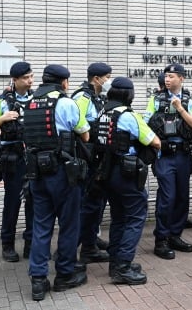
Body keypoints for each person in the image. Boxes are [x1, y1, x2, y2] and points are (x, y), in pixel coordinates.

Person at [25, 64, 90, 301]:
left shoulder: (28, 103)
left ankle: (38, 280)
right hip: (62, 172)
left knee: (41, 225)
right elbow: (85, 134)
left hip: (36, 173)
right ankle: (64, 274)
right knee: (69, 224)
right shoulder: (65, 103)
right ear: (63, 83)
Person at [93, 77, 161, 285]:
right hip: (126, 174)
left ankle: (115, 261)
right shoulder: (129, 116)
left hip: (106, 172)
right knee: (136, 217)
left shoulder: (103, 113)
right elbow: (155, 141)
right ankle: (123, 266)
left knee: (119, 217)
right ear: (128, 95)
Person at [145, 63, 192, 260]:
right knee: (167, 196)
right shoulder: (155, 99)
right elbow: (145, 125)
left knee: (181, 197)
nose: (167, 79)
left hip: (183, 156)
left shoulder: (190, 100)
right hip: (164, 155)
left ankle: (175, 235)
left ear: (181, 78)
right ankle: (161, 239)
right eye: (166, 76)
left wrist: (180, 109)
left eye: (171, 76)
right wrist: (158, 145)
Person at [0, 61, 35, 262]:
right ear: (14, 80)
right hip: (12, 157)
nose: (30, 80)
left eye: (31, 76)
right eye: (26, 77)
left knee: (34, 201)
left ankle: (31, 244)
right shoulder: (1, 101)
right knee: (12, 202)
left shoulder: (37, 98)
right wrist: (2, 119)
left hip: (33, 157)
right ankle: (7, 244)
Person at [73, 62, 111, 264]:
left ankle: (90, 241)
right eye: (106, 77)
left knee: (96, 203)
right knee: (87, 204)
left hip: (97, 157)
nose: (108, 82)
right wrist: (89, 135)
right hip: (86, 157)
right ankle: (78, 246)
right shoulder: (83, 97)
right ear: (96, 79)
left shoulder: (97, 97)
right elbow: (76, 123)